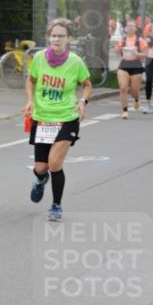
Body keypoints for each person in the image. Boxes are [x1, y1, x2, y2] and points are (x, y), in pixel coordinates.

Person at [23, 18, 91, 222]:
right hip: (42, 117)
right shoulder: (39, 58)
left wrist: (82, 101)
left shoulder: (76, 62)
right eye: (54, 35)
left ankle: (56, 205)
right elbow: (30, 80)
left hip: (67, 117)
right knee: (41, 167)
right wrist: (30, 101)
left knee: (54, 163)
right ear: (48, 37)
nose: (57, 39)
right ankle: (40, 180)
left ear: (69, 38)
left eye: (61, 36)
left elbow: (87, 84)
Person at [115, 17, 147, 118]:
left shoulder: (140, 40)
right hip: (124, 64)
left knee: (134, 90)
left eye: (132, 26)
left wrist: (137, 53)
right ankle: (125, 111)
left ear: (135, 29)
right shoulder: (122, 40)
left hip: (136, 65)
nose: (130, 28)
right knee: (123, 88)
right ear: (125, 28)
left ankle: (136, 99)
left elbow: (146, 54)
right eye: (128, 26)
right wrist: (118, 49)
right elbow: (117, 52)